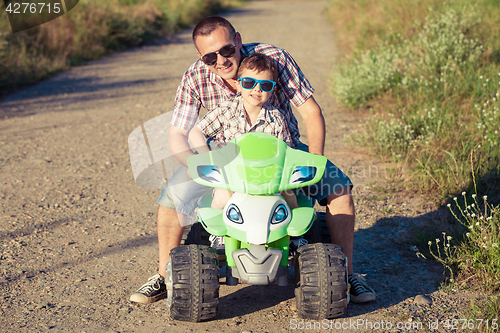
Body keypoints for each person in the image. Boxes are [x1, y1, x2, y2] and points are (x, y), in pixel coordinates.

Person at [129, 15, 376, 305]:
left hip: (282, 152)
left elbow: (311, 113)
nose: (220, 60)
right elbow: (178, 135)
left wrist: (315, 160)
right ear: (201, 56)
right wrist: (200, 162)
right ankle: (164, 274)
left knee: (339, 190)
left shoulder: (274, 59)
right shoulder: (195, 76)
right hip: (224, 159)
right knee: (172, 197)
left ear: (237, 40)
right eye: (210, 56)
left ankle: (345, 274)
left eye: (226, 50)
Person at [189, 52, 298, 210]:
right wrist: (209, 159)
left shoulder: (276, 118)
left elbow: (286, 151)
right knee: (222, 198)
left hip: (266, 175)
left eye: (265, 85)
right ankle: (217, 232)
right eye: (249, 82)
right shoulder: (227, 109)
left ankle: (294, 231)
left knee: (288, 195)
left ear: (272, 89)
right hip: (232, 175)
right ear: (239, 84)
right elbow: (195, 132)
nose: (257, 89)